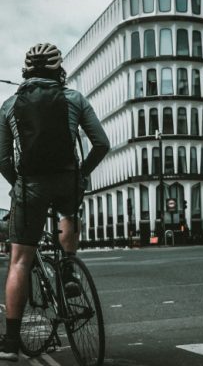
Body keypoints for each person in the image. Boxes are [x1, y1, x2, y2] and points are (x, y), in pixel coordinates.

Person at [0, 43, 110, 361]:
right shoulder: (74, 98)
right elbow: (101, 143)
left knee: (19, 260)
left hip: (29, 186)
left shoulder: (9, 105)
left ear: (26, 70)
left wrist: (18, 184)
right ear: (58, 68)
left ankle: (9, 344)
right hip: (67, 180)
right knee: (69, 210)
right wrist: (81, 173)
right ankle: (68, 268)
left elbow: (3, 159)